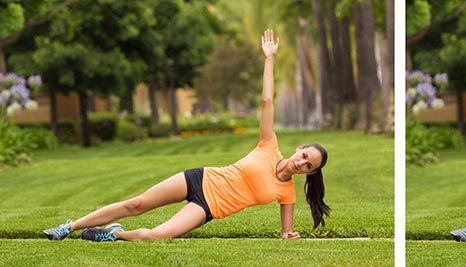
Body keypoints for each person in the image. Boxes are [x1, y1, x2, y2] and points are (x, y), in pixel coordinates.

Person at [43, 29, 331, 242]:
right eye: (304, 156)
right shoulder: (269, 146)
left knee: (156, 236)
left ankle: (114, 235)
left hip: (207, 208)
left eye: (309, 166)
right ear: (299, 148)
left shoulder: (287, 193)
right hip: (200, 178)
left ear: (310, 173)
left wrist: (289, 235)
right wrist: (269, 59)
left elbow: (285, 233)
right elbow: (267, 101)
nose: (301, 163)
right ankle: (68, 227)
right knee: (136, 204)